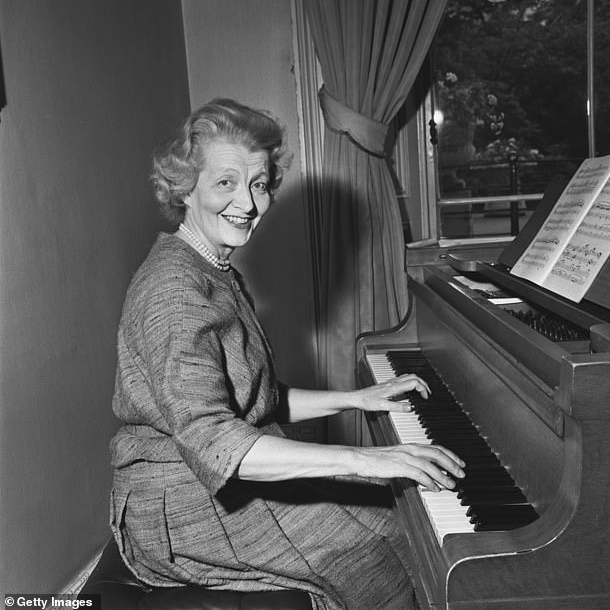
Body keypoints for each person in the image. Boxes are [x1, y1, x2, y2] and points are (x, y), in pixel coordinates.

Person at [109, 98, 465, 610]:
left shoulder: (214, 268)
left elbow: (260, 399)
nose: (249, 204)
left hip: (203, 477)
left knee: (401, 521)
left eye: (258, 184)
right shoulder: (175, 290)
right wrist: (367, 458)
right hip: (176, 504)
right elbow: (215, 442)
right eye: (226, 182)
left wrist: (359, 398)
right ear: (186, 189)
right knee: (383, 552)